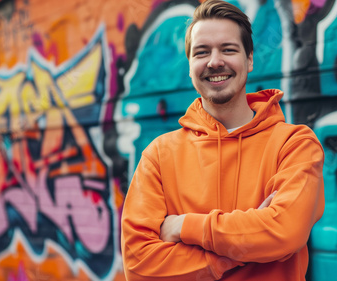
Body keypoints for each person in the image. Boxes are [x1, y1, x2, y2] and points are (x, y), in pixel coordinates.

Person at [121, 0, 325, 280]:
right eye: (202, 52)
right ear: (190, 65)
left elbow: (285, 232)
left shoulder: (294, 144)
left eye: (228, 49)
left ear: (249, 59)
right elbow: (138, 266)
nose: (215, 61)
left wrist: (182, 227)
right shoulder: (159, 155)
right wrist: (243, 248)